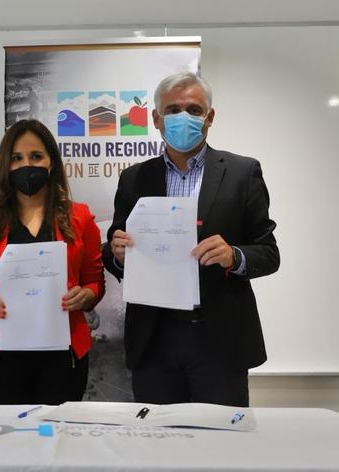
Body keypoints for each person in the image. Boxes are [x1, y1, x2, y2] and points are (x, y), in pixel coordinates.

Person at [103, 72, 280, 407]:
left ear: (209, 117)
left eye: (194, 110)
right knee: (156, 437)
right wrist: (117, 254)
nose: (182, 117)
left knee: (221, 437)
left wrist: (234, 256)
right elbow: (114, 248)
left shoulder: (242, 173)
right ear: (156, 119)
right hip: (154, 340)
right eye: (172, 110)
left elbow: (269, 253)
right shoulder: (134, 178)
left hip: (220, 341)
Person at [0, 119, 105, 405]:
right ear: (5, 165)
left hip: (64, 355)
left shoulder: (80, 217)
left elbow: (95, 281)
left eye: (36, 156)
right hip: (3, 354)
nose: (26, 165)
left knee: (58, 430)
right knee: (10, 431)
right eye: (16, 158)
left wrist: (86, 295)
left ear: (51, 163)